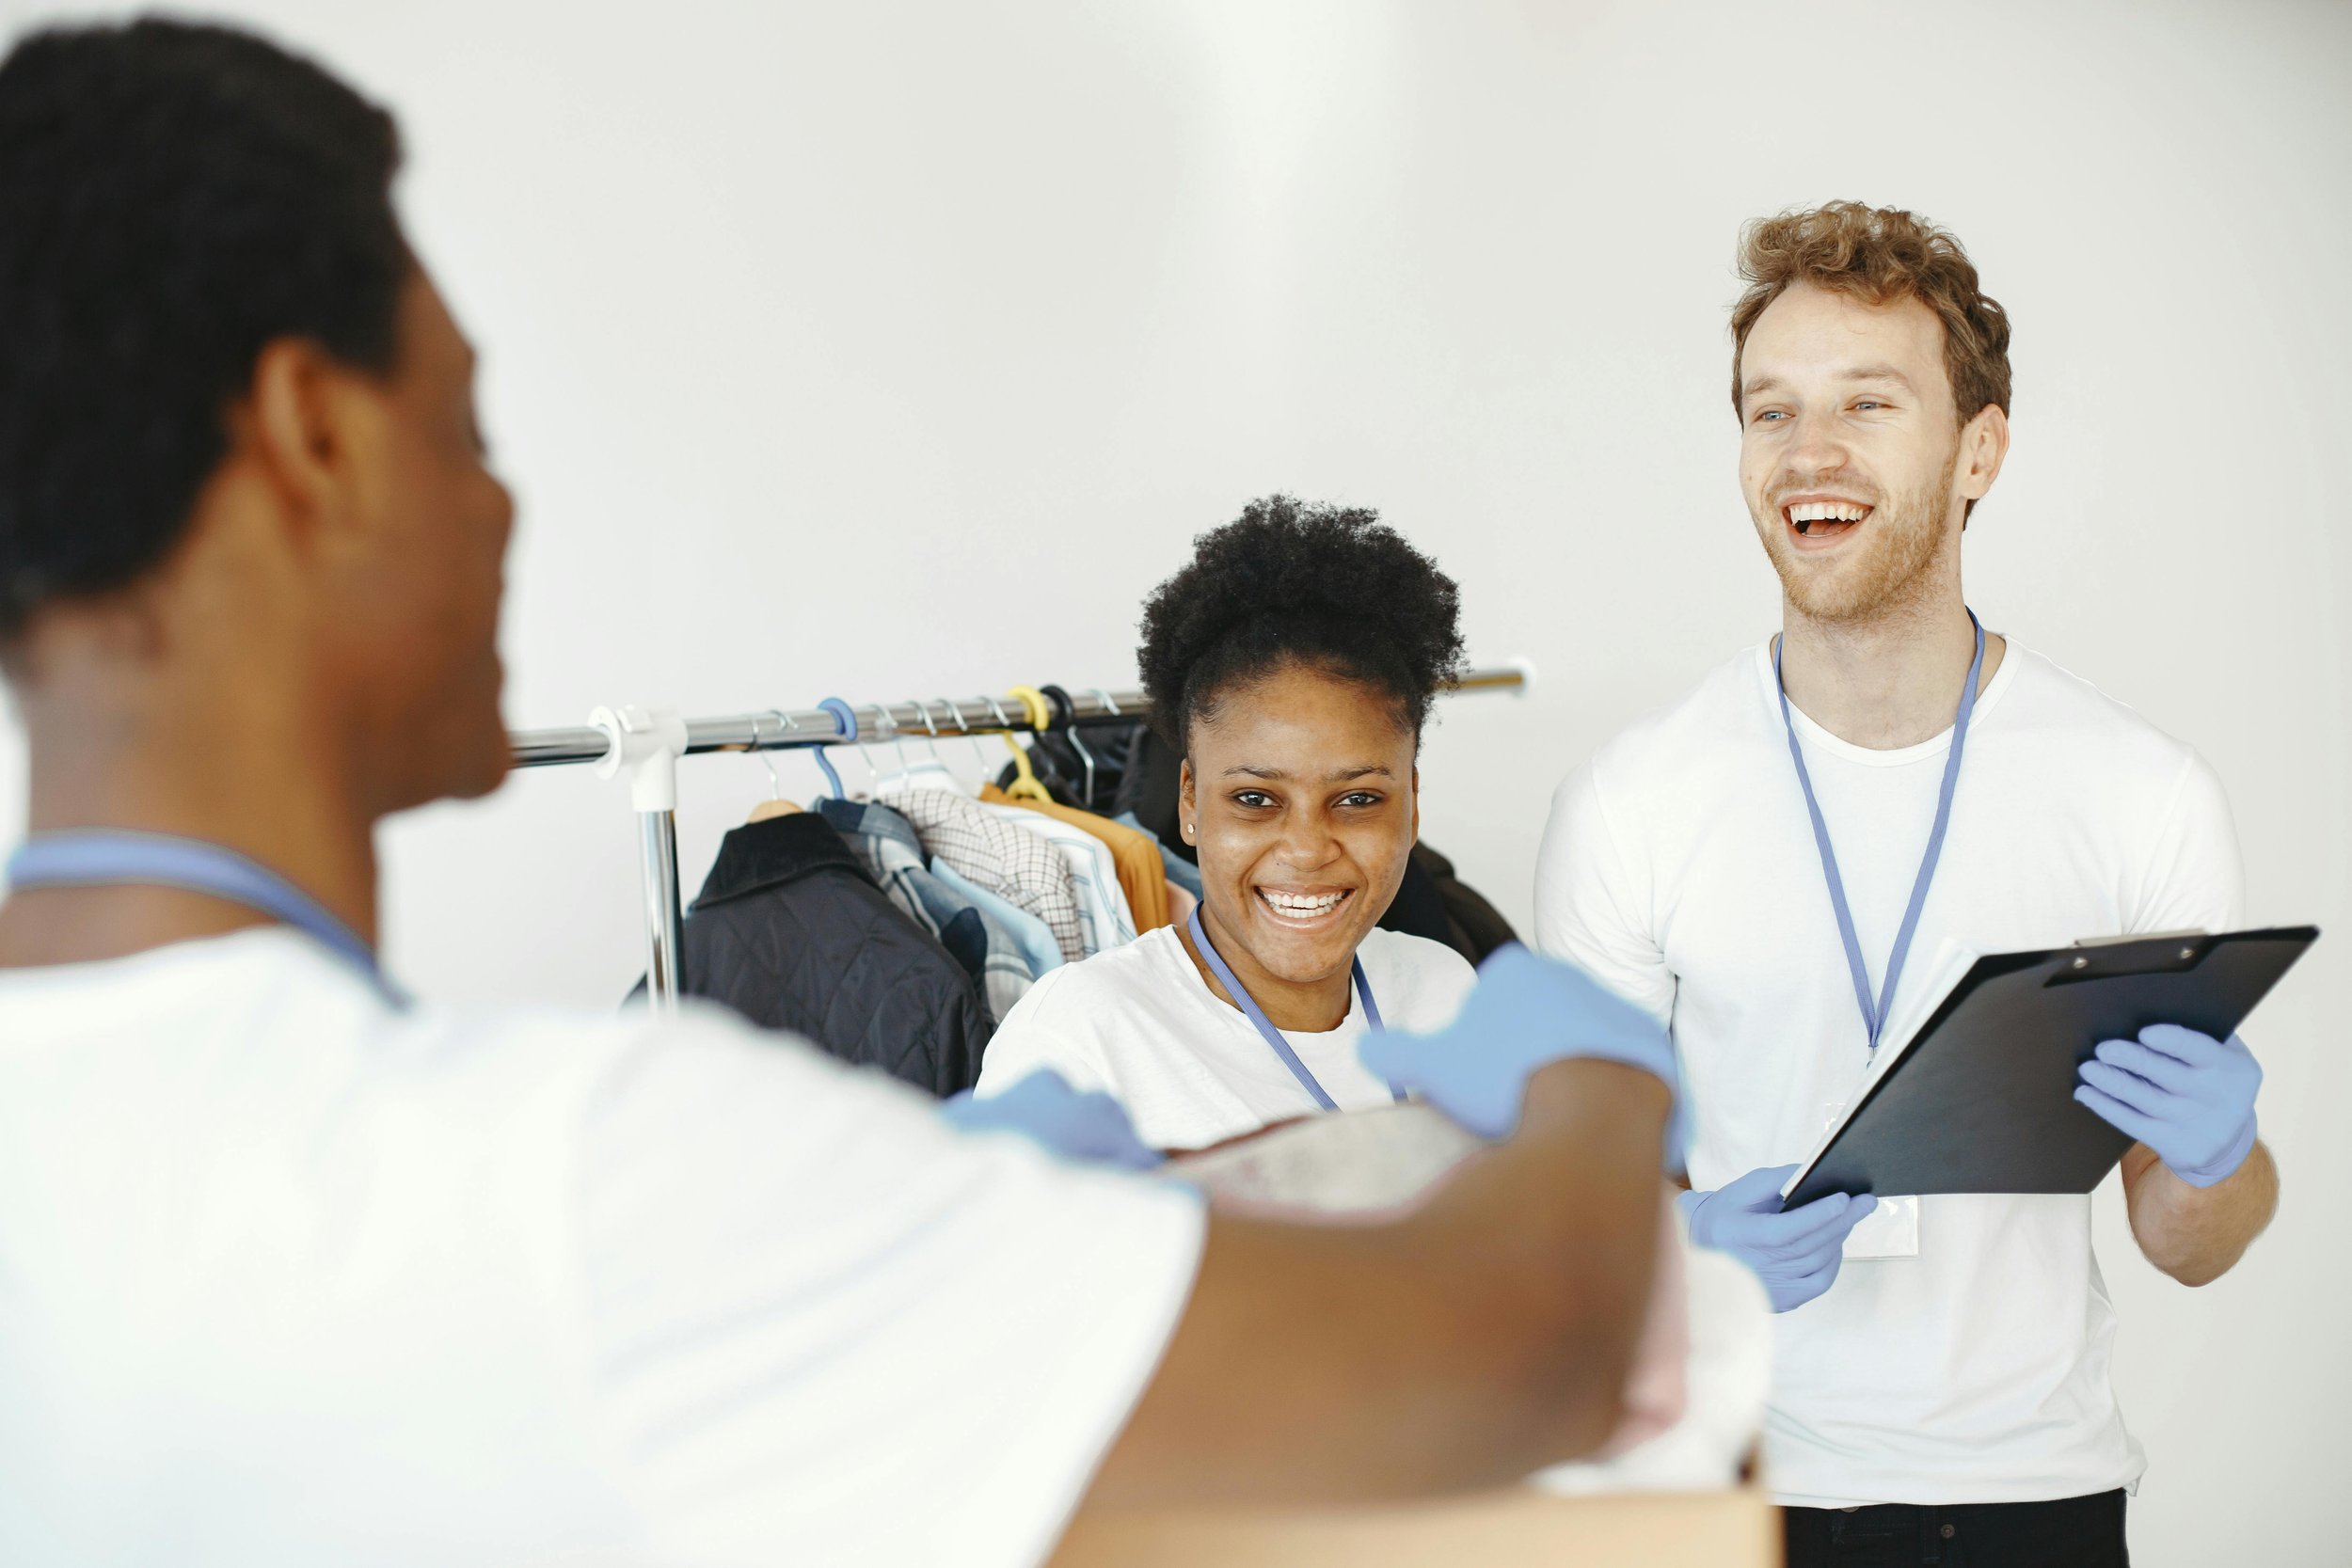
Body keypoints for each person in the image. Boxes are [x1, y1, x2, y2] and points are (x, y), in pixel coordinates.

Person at [0, 19, 1680, 1565]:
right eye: (467, 429)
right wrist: (1597, 1084)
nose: (504, 512)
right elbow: (1516, 1357)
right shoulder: (585, 1182)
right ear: (316, 440)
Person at [1534, 201, 2279, 1566]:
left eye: (1868, 403)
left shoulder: (2140, 793)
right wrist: (1674, 1249)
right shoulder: (1631, 802)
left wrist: (2220, 1154)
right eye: (1772, 411)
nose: (1808, 452)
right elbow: (1568, 1233)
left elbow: (2190, 1241)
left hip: (2035, 1499)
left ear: (1979, 450)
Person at [977, 499, 1481, 1150]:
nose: (1306, 849)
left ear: (1411, 802)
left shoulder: (1444, 989)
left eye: (1356, 799)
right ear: (1190, 800)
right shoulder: (1081, 1041)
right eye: (1255, 798)